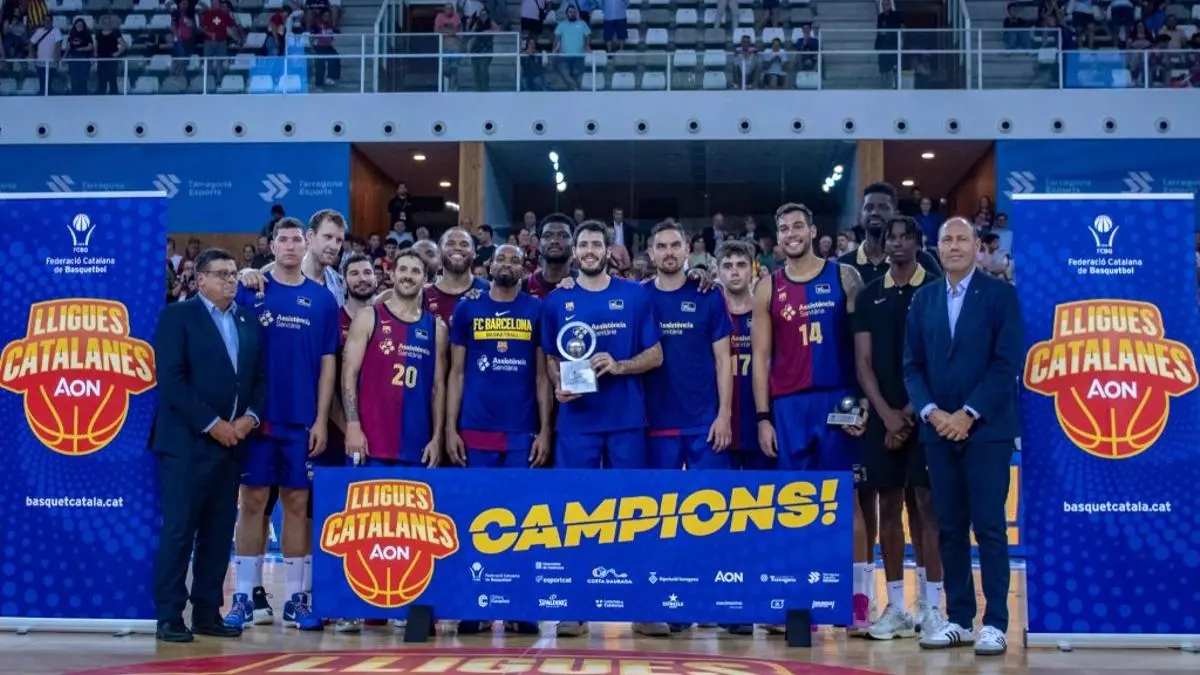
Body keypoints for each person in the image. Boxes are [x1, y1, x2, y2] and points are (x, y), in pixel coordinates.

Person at [904, 217, 1024, 656]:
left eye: (961, 239)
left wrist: (968, 413)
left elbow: (1006, 363)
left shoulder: (1000, 295)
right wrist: (933, 413)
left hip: (987, 432)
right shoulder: (924, 299)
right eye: (946, 240)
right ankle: (959, 618)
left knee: (989, 526)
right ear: (937, 247)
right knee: (949, 527)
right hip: (938, 432)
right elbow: (912, 366)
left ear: (977, 247)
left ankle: (995, 623)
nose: (954, 246)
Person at [750, 203, 870, 633]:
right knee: (793, 506)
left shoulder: (844, 277)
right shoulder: (768, 286)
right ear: (778, 237)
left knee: (848, 500)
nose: (791, 233)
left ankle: (858, 603)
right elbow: (761, 357)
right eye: (783, 228)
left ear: (813, 230)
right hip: (789, 407)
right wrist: (763, 417)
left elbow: (863, 349)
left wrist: (863, 402)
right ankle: (797, 604)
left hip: (838, 400)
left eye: (798, 225)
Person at [540, 220, 663, 639]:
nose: (590, 250)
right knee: (574, 513)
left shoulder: (635, 295)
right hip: (577, 422)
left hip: (626, 420)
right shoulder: (558, 301)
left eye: (596, 243)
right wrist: (558, 383)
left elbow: (656, 354)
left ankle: (642, 608)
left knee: (633, 513)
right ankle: (573, 608)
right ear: (575, 252)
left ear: (608, 250)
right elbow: (550, 357)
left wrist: (620, 365)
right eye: (584, 244)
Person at [226, 218, 339, 632]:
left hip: (300, 419)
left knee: (296, 504)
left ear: (306, 244)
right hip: (256, 418)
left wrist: (321, 419)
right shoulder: (250, 287)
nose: (290, 246)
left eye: (296, 240)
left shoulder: (323, 300)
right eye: (283, 240)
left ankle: (295, 599)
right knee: (253, 502)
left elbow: (328, 364)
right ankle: (243, 597)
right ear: (271, 245)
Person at [152, 248, 266, 643]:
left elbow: (260, 379)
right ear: (200, 279)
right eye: (221, 274)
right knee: (180, 531)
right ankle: (169, 616)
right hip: (186, 444)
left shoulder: (247, 320)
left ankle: (206, 612)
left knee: (218, 534)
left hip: (233, 444)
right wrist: (213, 424)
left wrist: (250, 419)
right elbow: (172, 380)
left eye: (233, 273)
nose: (230, 280)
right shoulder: (177, 316)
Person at [839, 181, 940, 623]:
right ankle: (885, 603)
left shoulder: (932, 281)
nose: (896, 240)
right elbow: (859, 359)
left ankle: (932, 606)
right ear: (861, 215)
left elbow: (937, 356)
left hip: (924, 412)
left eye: (904, 235)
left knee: (926, 507)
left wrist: (912, 412)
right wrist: (882, 413)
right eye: (870, 207)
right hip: (874, 412)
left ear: (917, 241)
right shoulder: (852, 276)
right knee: (880, 505)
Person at [445, 244, 549, 637]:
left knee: (520, 519)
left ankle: (520, 606)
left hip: (521, 429)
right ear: (489, 266)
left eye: (515, 260)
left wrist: (545, 430)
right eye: (502, 259)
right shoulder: (467, 309)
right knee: (478, 517)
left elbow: (542, 376)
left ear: (524, 268)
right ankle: (478, 604)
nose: (507, 264)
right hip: (475, 427)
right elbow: (456, 373)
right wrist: (450, 428)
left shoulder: (536, 309)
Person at [343, 249, 447, 469]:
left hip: (417, 445)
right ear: (392, 274)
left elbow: (437, 389)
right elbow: (349, 375)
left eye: (416, 271)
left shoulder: (436, 328)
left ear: (425, 279)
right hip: (369, 443)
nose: (408, 276)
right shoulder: (368, 317)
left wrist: (437, 438)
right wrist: (352, 425)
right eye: (403, 269)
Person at [643, 220, 733, 472]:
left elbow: (723, 361)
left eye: (675, 245)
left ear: (687, 250)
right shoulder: (639, 297)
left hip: (705, 424)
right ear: (651, 253)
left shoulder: (709, 294)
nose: (669, 252)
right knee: (659, 496)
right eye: (661, 246)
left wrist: (724, 415)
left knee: (712, 495)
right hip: (655, 423)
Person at [423, 228, 490, 324]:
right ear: (439, 254)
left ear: (474, 254)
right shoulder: (423, 296)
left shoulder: (490, 290)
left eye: (464, 244)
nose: (457, 248)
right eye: (450, 244)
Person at [521, 216, 575, 299]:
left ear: (574, 244)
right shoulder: (523, 287)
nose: (554, 241)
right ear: (539, 245)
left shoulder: (585, 284)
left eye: (563, 235)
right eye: (547, 235)